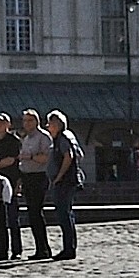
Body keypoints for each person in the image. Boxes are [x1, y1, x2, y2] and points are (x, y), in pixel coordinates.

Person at [15, 110, 53, 260]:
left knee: (36, 212)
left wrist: (30, 157)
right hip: (27, 177)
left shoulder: (43, 137)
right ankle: (40, 247)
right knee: (32, 214)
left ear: (36, 121)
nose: (26, 123)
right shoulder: (26, 139)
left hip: (39, 177)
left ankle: (43, 248)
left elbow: (46, 158)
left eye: (29, 120)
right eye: (24, 120)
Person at [47, 109, 85, 260]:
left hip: (65, 182)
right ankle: (69, 247)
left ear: (57, 124)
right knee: (66, 214)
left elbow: (69, 156)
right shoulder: (68, 137)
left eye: (50, 123)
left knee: (64, 214)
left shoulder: (62, 138)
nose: (48, 126)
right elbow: (79, 154)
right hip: (68, 181)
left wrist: (59, 176)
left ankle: (69, 248)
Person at [0, 114, 23, 262]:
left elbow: (11, 160)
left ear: (8, 124)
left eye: (2, 122)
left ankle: (16, 249)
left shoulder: (14, 141)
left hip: (11, 181)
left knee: (13, 218)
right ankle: (1, 250)